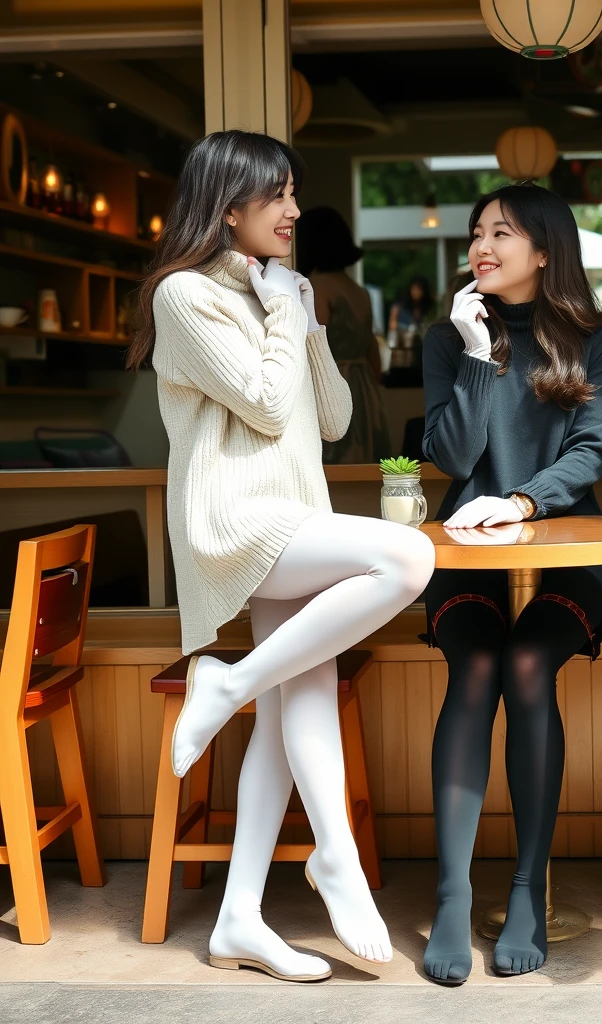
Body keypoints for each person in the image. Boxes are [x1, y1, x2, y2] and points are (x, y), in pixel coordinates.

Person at [130, 130, 436, 980]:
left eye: (293, 195)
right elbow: (265, 409)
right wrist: (278, 315)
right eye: (279, 196)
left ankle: (237, 917)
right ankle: (319, 829)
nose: (295, 210)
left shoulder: (281, 289)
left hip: (292, 511)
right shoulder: (184, 298)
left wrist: (303, 319)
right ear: (229, 207)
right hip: (237, 520)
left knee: (291, 701)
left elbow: (331, 416)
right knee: (407, 560)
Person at [419, 183, 602, 984]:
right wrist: (474, 355)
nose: (482, 245)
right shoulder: (451, 337)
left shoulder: (592, 339)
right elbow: (451, 457)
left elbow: (592, 450)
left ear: (545, 249)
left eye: (500, 232)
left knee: (531, 665)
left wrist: (524, 500)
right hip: (465, 557)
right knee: (473, 666)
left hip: (569, 555)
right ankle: (449, 894)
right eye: (476, 232)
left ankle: (526, 888)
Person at [296, 206, 389, 463]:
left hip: (333, 380)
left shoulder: (316, 287)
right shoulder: (359, 291)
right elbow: (372, 348)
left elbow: (313, 343)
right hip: (364, 386)